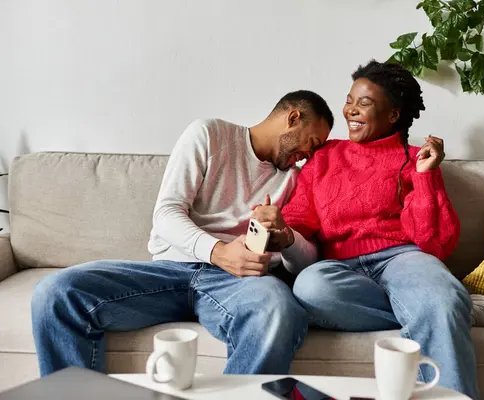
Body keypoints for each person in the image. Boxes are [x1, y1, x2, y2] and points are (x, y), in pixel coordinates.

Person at [30, 90, 334, 376]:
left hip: (237, 286)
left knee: (279, 310)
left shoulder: (296, 179)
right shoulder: (210, 134)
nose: (310, 154)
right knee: (55, 293)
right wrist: (219, 252)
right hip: (169, 271)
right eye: (312, 141)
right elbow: (166, 214)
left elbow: (308, 259)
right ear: (293, 118)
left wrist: (287, 237)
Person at [252, 61, 484, 399]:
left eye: (364, 103)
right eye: (350, 100)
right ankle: (446, 308)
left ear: (393, 115)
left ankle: (442, 305)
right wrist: (280, 230)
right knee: (311, 287)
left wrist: (427, 175)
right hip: (340, 269)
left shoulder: (416, 158)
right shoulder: (325, 156)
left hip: (402, 258)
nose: (351, 110)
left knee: (437, 298)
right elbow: (301, 219)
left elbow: (435, 244)